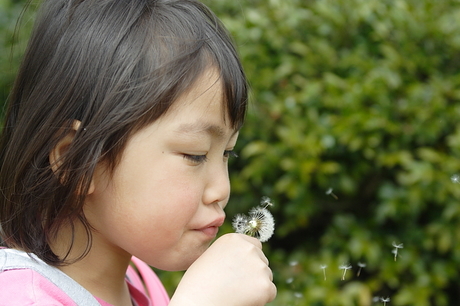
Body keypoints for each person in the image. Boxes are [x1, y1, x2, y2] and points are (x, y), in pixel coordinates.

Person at [0, 0, 277, 305]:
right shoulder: (22, 297)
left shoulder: (140, 282)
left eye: (227, 153)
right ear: (75, 160)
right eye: (195, 155)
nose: (221, 190)